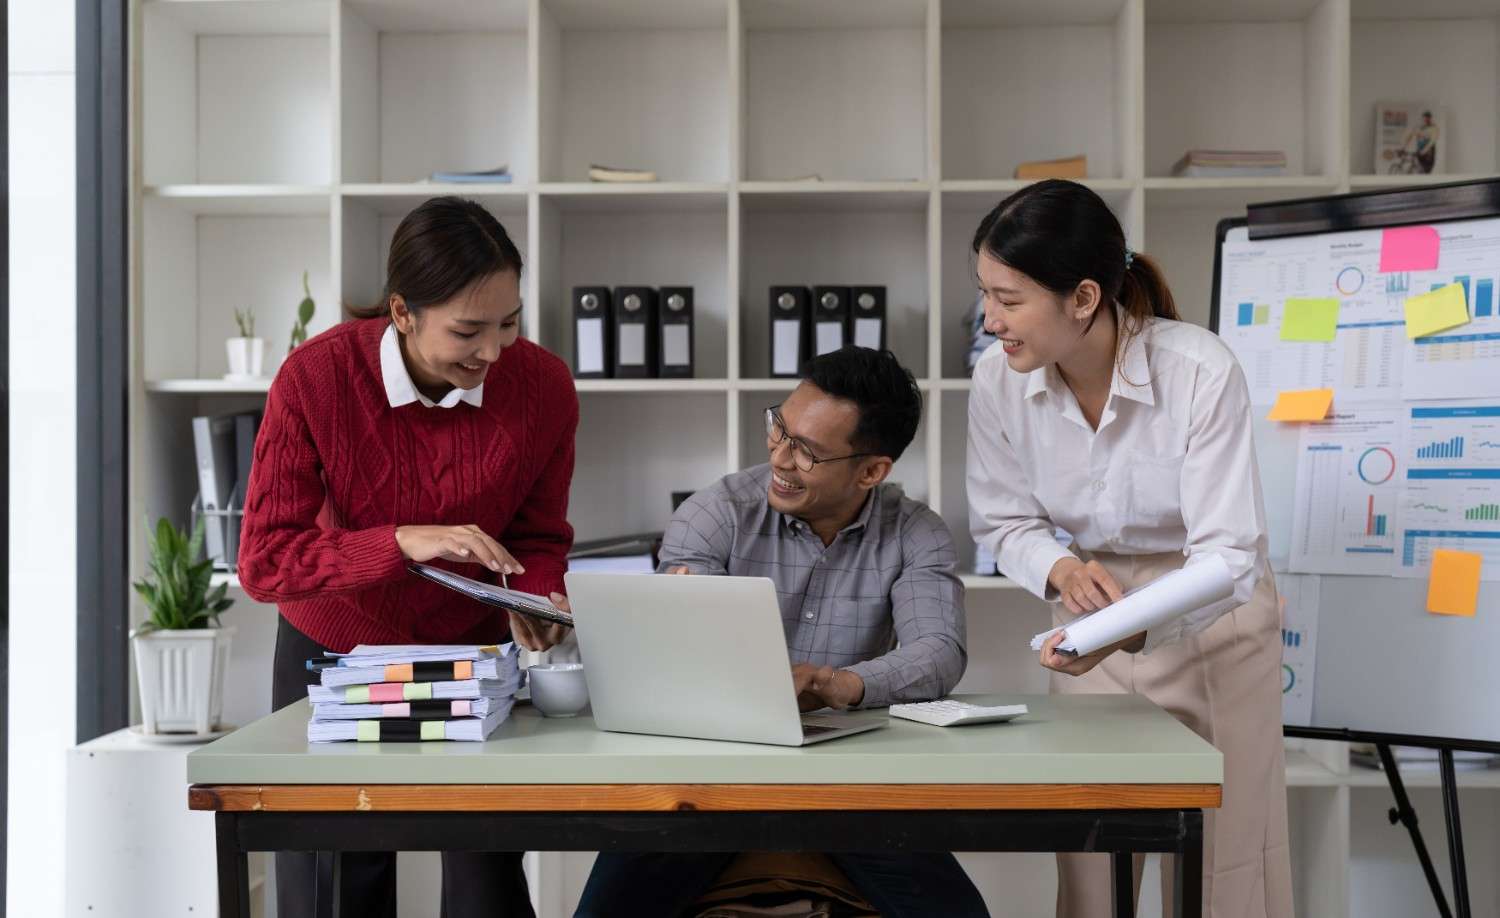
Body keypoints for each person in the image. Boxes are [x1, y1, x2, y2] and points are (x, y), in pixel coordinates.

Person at [237, 196, 577, 918]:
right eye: (467, 330)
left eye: (509, 322)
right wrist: (398, 540)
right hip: (331, 648)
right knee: (334, 877)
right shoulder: (315, 379)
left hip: (472, 654)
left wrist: (540, 595)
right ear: (401, 313)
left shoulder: (543, 386)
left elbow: (540, 535)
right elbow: (267, 560)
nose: (493, 351)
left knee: (486, 875)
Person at [965, 179, 1291, 917]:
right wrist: (1062, 569)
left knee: (1224, 872)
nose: (991, 320)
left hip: (1215, 624)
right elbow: (1001, 521)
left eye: (1009, 300)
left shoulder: (1200, 370)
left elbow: (1229, 557)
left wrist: (1135, 625)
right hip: (1094, 617)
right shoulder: (996, 381)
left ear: (1082, 297)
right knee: (1091, 871)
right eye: (985, 294)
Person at [575, 346, 986, 918]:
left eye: (808, 452)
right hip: (711, 779)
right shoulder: (716, 513)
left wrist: (840, 683)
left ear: (871, 470)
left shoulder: (916, 533)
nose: (781, 459)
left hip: (853, 787)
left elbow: (939, 653)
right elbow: (680, 659)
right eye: (779, 430)